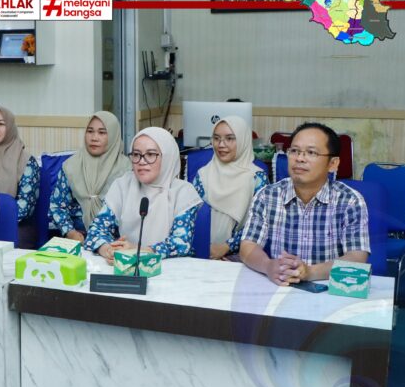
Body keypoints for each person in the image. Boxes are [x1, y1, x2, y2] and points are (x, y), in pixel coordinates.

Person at [240, 122, 370, 285]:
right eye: (294, 151)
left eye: (311, 152)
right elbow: (248, 246)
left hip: (326, 288)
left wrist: (310, 272)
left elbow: (357, 257)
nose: (300, 158)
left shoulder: (350, 201)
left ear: (333, 164)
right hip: (279, 284)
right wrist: (268, 266)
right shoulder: (267, 196)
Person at [85, 127, 203, 262]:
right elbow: (96, 230)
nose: (141, 161)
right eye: (136, 154)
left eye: (151, 154)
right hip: (126, 266)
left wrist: (138, 251)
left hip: (171, 268)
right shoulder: (122, 185)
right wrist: (108, 250)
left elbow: (181, 244)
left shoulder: (183, 192)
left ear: (167, 157)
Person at [192, 115, 269, 260]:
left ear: (243, 140)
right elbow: (191, 216)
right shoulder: (202, 175)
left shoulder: (257, 178)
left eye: (230, 138)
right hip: (202, 253)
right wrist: (204, 248)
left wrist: (226, 247)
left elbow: (260, 223)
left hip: (241, 255)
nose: (221, 145)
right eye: (216, 138)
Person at [49, 111, 130, 242]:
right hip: (78, 236)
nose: (94, 138)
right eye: (90, 131)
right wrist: (70, 232)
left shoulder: (126, 169)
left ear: (113, 135)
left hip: (115, 238)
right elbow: (57, 206)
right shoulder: (71, 166)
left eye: (102, 133)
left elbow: (131, 211)